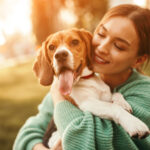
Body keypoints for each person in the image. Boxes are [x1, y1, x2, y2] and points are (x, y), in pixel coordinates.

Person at [13, 4, 150, 150]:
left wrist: (59, 99)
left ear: (138, 60)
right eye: (101, 34)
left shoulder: (144, 93)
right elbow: (27, 133)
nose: (102, 47)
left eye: (118, 45)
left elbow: (84, 143)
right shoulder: (68, 80)